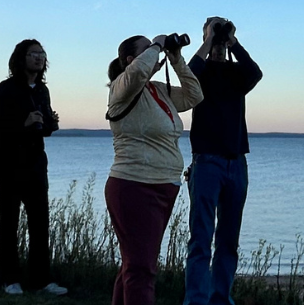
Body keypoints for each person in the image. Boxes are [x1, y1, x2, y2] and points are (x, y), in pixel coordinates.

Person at [105, 32, 204, 305]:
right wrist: (158, 43)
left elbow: (195, 95)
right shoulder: (121, 87)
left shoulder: (158, 89)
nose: (154, 52)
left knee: (134, 263)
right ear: (129, 59)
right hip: (134, 185)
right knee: (141, 269)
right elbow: (137, 73)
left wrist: (176, 59)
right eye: (147, 49)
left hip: (163, 186)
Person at [182, 17, 261, 305]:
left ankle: (220, 298)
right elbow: (188, 73)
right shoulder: (199, 74)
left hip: (236, 162)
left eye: (219, 35)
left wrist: (232, 42)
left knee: (228, 241)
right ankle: (195, 300)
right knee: (201, 238)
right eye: (212, 34)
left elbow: (255, 72)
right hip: (206, 162)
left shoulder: (236, 74)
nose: (216, 42)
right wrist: (207, 40)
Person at [0, 39, 69, 296]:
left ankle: (41, 279)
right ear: (21, 58)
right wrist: (23, 121)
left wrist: (51, 123)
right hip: (8, 165)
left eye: (42, 54)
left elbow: (44, 130)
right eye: (33, 54)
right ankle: (10, 279)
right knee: (9, 223)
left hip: (36, 164)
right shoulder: (5, 89)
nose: (39, 58)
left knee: (40, 223)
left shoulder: (42, 91)